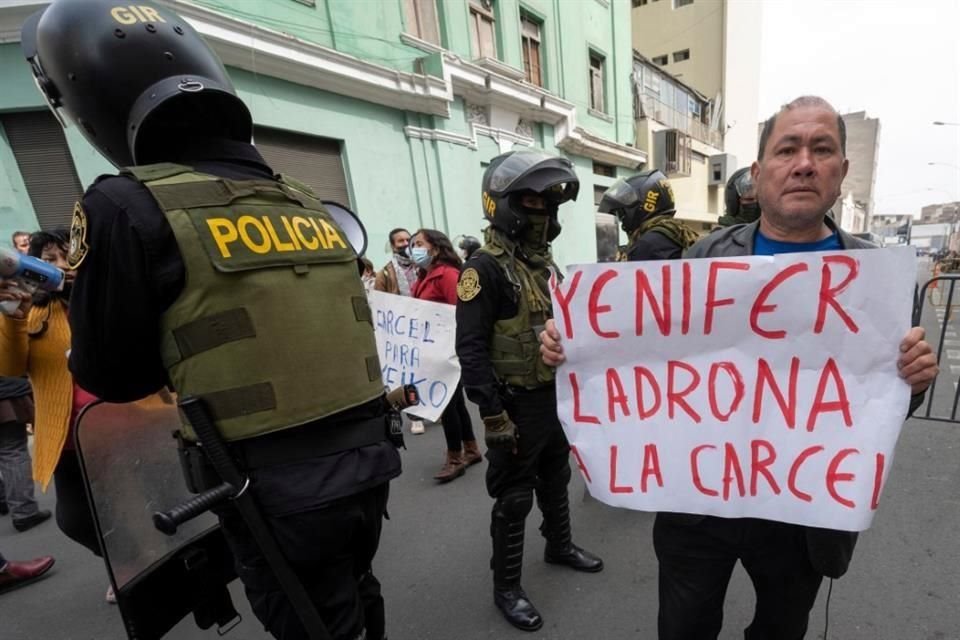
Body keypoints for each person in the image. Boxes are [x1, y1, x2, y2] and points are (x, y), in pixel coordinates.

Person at [24, 2, 400, 638]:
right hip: (368, 462)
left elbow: (113, 376)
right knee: (356, 591)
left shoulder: (123, 202)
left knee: (313, 620)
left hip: (269, 488)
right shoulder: (304, 199)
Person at [540, 95, 939, 640]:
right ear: (759, 170)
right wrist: (575, 345)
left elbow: (881, 401)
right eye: (787, 149)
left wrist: (914, 380)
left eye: (822, 150)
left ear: (842, 171)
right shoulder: (704, 258)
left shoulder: (877, 279)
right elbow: (646, 354)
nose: (804, 164)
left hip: (804, 511)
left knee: (781, 628)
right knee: (684, 627)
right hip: (698, 503)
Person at [455, 149, 603, 632]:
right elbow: (471, 349)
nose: (542, 212)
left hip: (553, 397)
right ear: (503, 204)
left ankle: (559, 546)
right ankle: (507, 588)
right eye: (532, 202)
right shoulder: (483, 269)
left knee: (556, 476)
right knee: (515, 496)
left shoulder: (543, 265)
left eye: (548, 204)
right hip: (515, 403)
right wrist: (492, 415)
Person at [409, 228, 481, 483]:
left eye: (419, 243)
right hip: (434, 349)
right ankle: (470, 449)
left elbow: (461, 312)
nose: (414, 249)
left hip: (447, 349)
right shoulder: (425, 276)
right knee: (455, 402)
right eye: (412, 244)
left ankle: (455, 457)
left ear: (436, 247)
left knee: (447, 403)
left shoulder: (448, 275)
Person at [597, 169, 699, 261]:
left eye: (623, 214)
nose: (623, 221)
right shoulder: (674, 232)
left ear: (640, 206)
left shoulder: (648, 244)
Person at [0, 373, 46, 531]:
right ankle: (24, 512)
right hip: (5, 392)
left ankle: (3, 497)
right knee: (12, 451)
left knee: (10, 449)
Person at [374, 228, 418, 296]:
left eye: (408, 240)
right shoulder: (383, 275)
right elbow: (379, 299)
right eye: (401, 241)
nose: (406, 243)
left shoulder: (423, 266)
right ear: (393, 246)